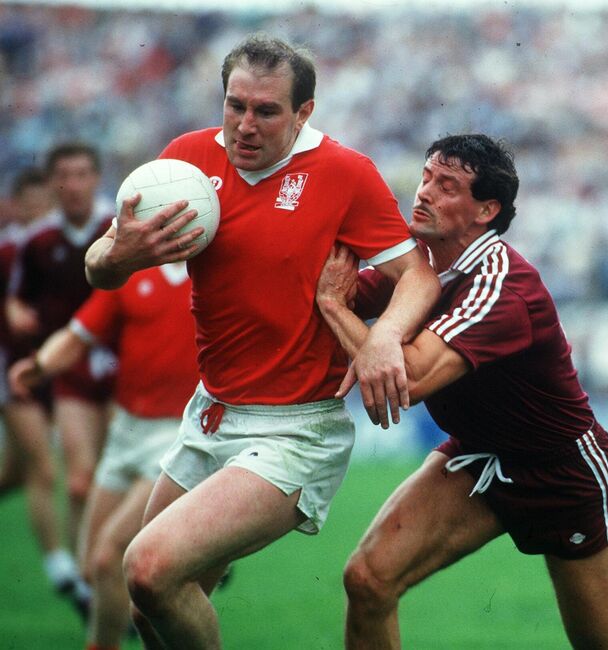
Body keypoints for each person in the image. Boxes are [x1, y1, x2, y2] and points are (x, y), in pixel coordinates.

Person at [314, 133, 608, 650]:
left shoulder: (503, 286)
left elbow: (405, 379)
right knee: (367, 580)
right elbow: (326, 295)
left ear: (486, 210)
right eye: (428, 177)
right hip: (478, 456)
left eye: (448, 185)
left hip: (560, 472)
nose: (425, 192)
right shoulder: (421, 268)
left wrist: (333, 307)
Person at [83, 35, 439, 649]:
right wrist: (120, 255)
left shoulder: (345, 173)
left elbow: (420, 277)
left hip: (295, 431)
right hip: (211, 414)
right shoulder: (184, 164)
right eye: (235, 105)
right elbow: (98, 264)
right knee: (149, 607)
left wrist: (382, 338)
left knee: (147, 568)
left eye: (267, 111)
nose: (245, 125)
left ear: (304, 112)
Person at [9, 260, 197, 650]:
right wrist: (40, 366)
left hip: (178, 436)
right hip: (125, 431)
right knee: (91, 570)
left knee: (109, 558)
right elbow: (79, 336)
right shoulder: (131, 275)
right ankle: (191, 566)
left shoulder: (212, 273)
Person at [5, 143, 117, 615]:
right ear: (53, 184)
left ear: (96, 177)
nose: (73, 185)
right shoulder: (33, 243)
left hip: (112, 370)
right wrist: (13, 313)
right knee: (64, 478)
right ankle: (79, 577)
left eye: (83, 174)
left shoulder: (117, 227)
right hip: (42, 368)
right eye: (64, 176)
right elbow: (12, 296)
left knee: (127, 476)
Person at [0, 167, 54, 494]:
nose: (38, 210)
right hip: (12, 366)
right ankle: (56, 549)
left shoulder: (53, 242)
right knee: (44, 469)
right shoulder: (8, 251)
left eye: (43, 202)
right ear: (16, 206)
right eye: (30, 203)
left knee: (17, 473)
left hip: (45, 363)